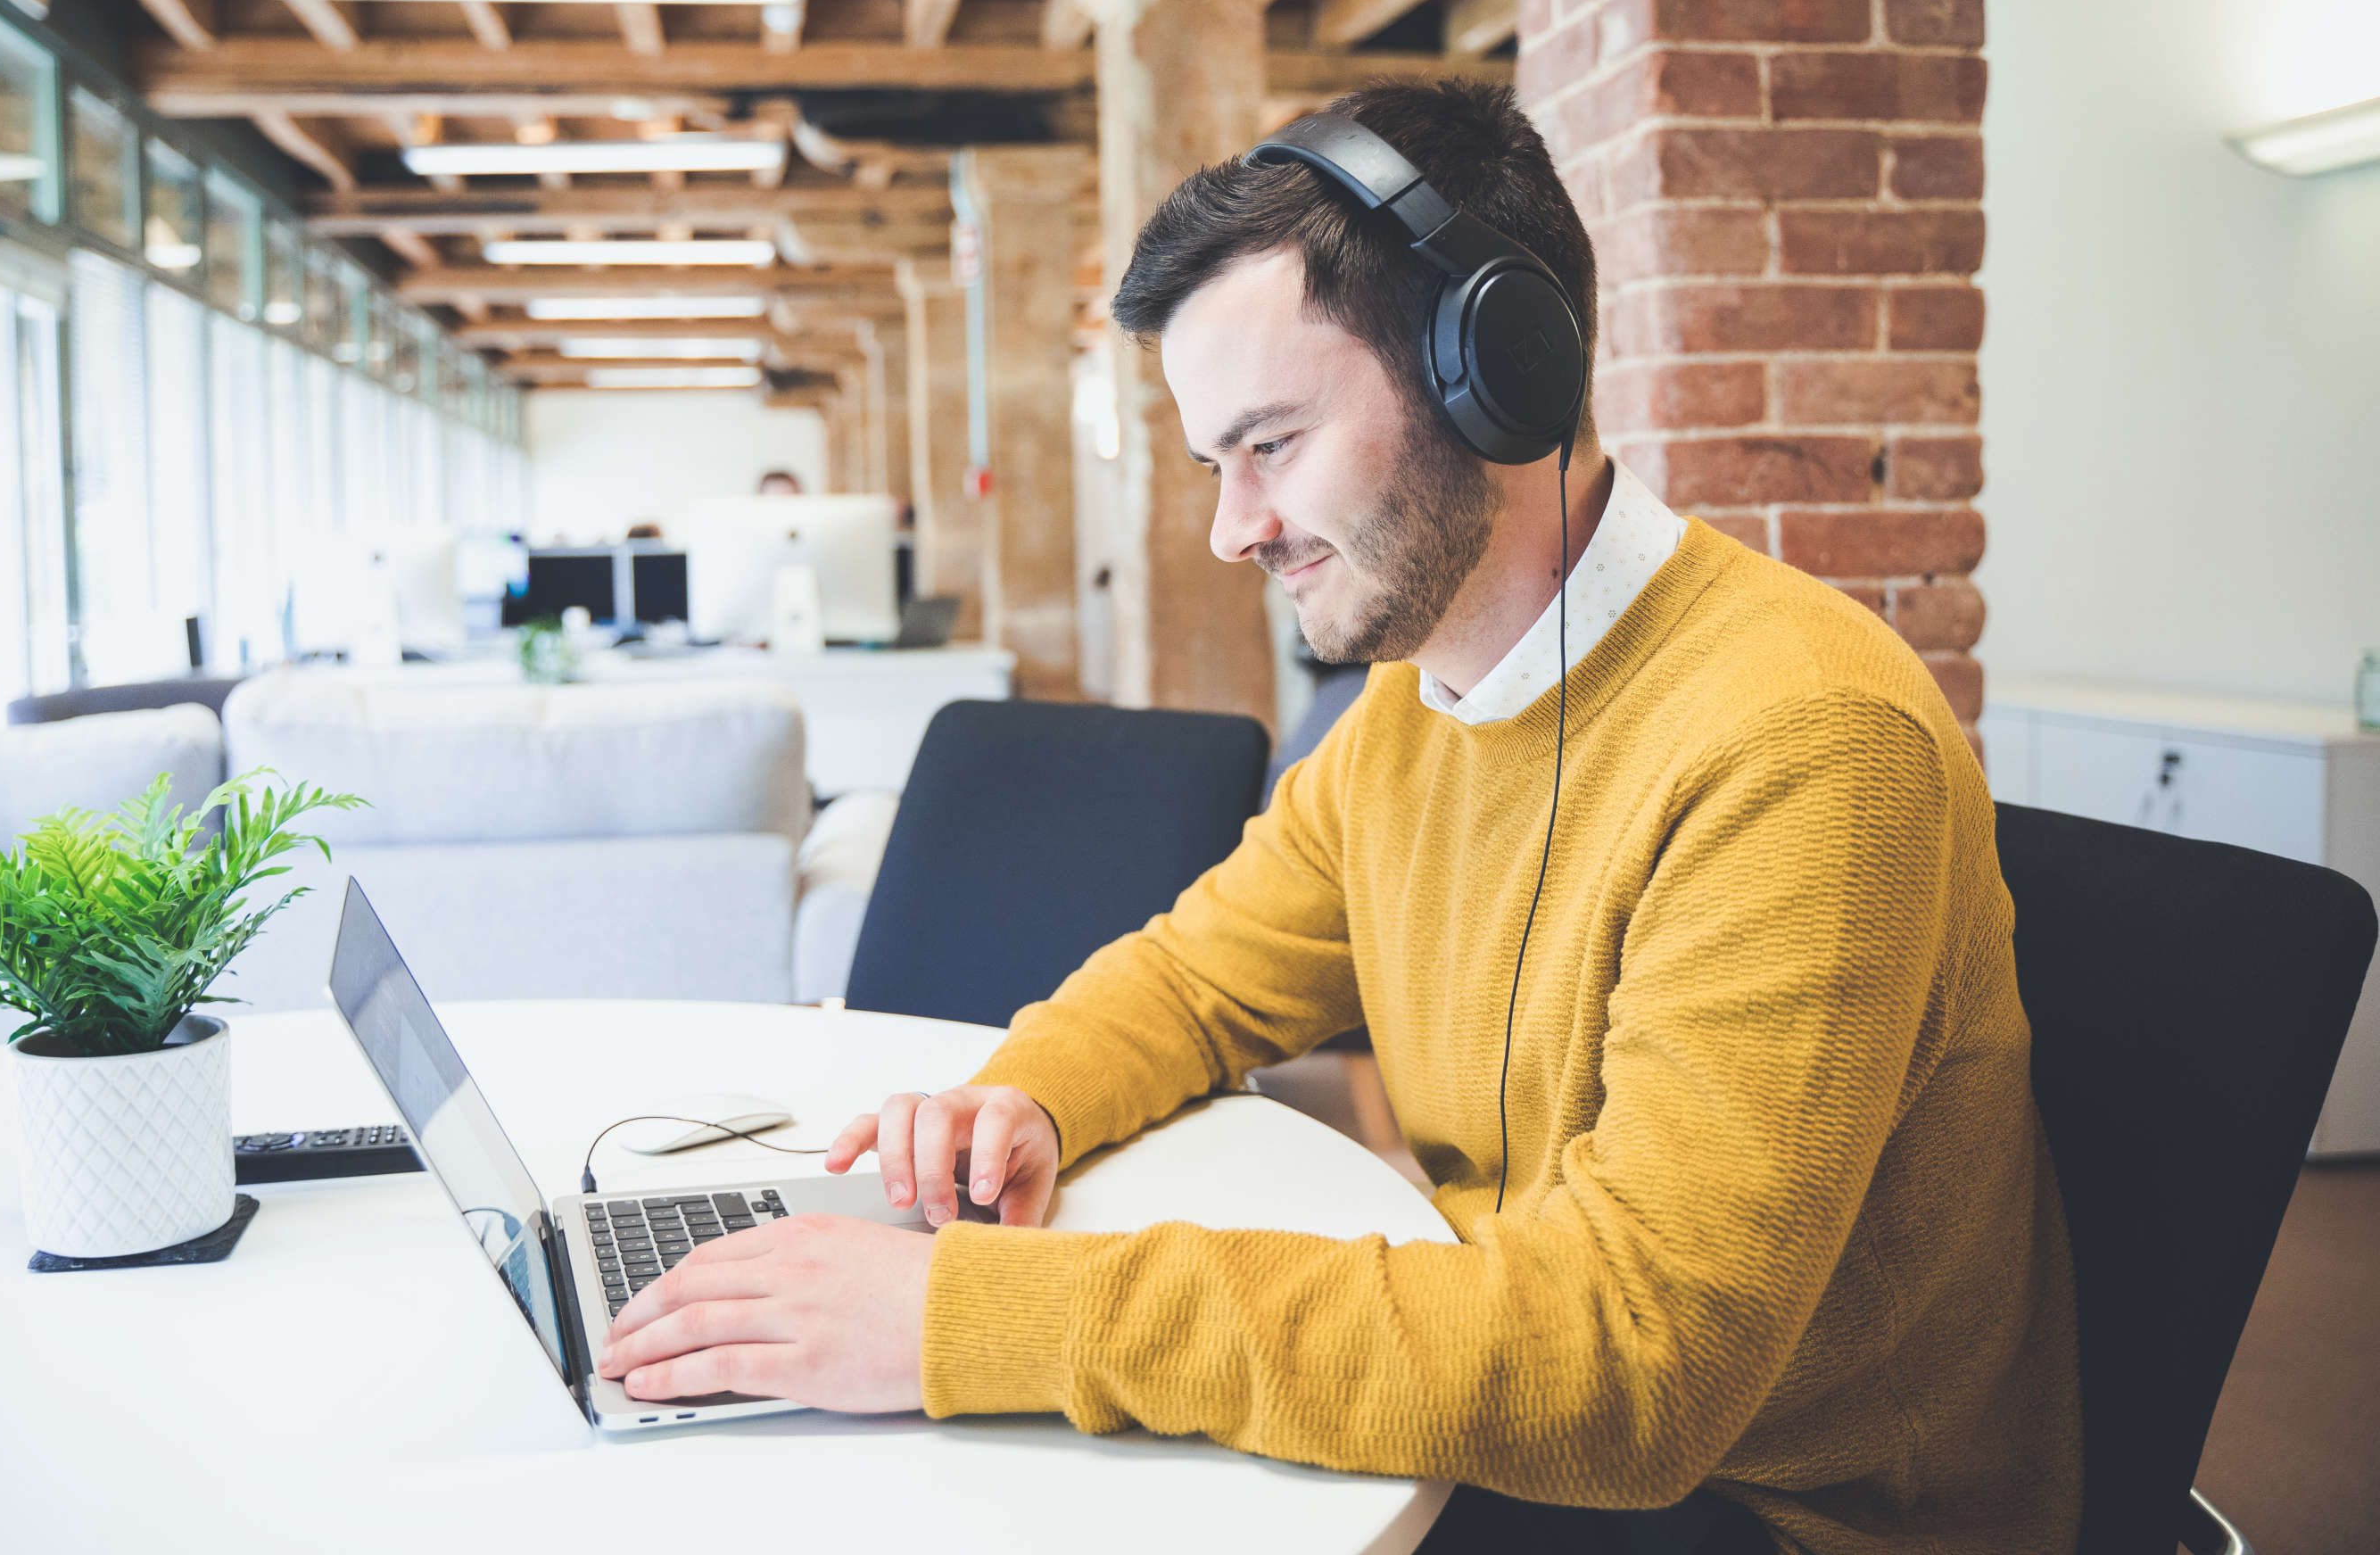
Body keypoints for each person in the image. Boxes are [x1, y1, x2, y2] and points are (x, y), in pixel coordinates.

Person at [594, 79, 2082, 1555]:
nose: (1235, 527)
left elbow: (1633, 1369)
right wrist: (1024, 1099)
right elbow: (1197, 976)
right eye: (1212, 465)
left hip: (1762, 1510)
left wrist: (966, 1319)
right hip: (1521, 1419)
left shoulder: (1803, 744)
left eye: (1273, 444)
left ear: (1493, 373)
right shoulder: (1421, 701)